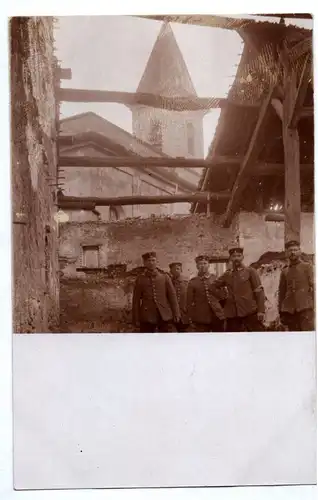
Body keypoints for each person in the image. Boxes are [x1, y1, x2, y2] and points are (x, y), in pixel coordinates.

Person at [213, 247, 265, 332]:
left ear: (242, 257)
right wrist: (223, 297)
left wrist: (261, 311)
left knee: (257, 338)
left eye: (239, 256)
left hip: (249, 312)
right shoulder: (227, 274)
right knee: (233, 341)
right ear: (230, 258)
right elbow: (213, 286)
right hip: (232, 314)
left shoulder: (250, 271)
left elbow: (259, 292)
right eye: (234, 256)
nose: (236, 258)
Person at [132, 252, 180, 333]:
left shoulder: (165, 277)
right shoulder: (140, 279)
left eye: (153, 260)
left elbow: (172, 297)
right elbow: (136, 301)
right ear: (144, 263)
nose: (151, 263)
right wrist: (136, 318)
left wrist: (176, 313)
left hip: (164, 314)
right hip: (147, 316)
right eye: (148, 261)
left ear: (157, 262)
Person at [278, 240, 314, 331]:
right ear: (286, 253)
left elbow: (314, 286)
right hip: (290, 311)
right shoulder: (284, 271)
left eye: (295, 250)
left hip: (305, 309)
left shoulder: (307, 267)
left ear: (300, 251)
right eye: (290, 250)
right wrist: (281, 310)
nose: (293, 252)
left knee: (307, 335)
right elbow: (281, 293)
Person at [186, 255, 226, 332]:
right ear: (197, 266)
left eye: (205, 263)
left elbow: (223, 296)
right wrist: (191, 318)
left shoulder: (215, 278)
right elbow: (189, 302)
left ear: (208, 265)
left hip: (217, 315)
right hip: (201, 317)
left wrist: (222, 311)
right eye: (200, 264)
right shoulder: (193, 282)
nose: (203, 266)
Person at [169, 262, 190, 332]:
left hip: (184, 313)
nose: (176, 271)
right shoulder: (168, 282)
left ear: (181, 270)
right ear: (170, 271)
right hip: (172, 313)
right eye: (174, 269)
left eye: (178, 269)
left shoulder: (186, 282)